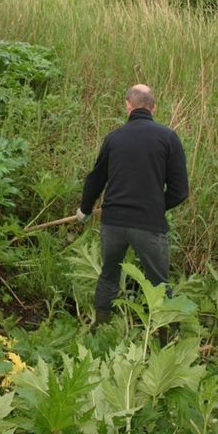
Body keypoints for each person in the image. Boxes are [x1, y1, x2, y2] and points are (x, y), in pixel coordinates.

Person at [77, 84, 188, 329]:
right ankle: (166, 341)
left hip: (113, 222)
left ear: (128, 106)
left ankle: (101, 331)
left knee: (108, 276)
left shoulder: (114, 138)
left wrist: (84, 209)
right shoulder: (168, 138)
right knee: (159, 284)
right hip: (148, 225)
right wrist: (156, 207)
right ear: (154, 108)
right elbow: (180, 191)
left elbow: (95, 178)